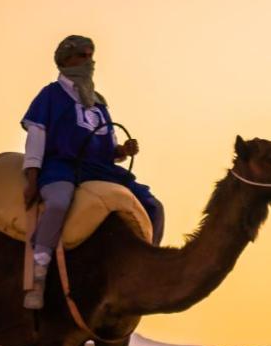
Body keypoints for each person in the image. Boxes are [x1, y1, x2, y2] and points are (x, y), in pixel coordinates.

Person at [20, 35, 165, 309]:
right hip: (62, 166)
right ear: (65, 60)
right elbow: (36, 136)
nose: (89, 62)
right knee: (59, 203)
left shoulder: (98, 103)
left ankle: (148, 272)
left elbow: (107, 147)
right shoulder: (50, 96)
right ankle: (37, 278)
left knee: (153, 207)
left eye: (91, 56)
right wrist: (32, 178)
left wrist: (123, 151)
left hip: (101, 171)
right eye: (82, 56)